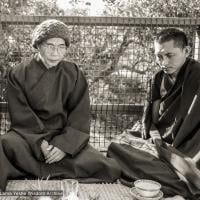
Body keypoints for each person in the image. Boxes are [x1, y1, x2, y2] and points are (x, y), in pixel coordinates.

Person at [0, 19, 121, 191]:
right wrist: (39, 141)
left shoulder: (74, 73)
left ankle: (29, 170)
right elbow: (20, 112)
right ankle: (51, 170)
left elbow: (80, 113)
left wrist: (64, 146)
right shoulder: (19, 73)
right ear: (38, 45)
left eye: (61, 46)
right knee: (4, 144)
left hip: (63, 134)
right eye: (50, 45)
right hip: (28, 137)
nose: (56, 51)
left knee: (104, 166)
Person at [107, 28, 200, 199]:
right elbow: (151, 119)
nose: (163, 62)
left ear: (186, 51)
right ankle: (174, 178)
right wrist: (155, 138)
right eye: (159, 56)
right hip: (162, 141)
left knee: (192, 168)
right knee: (116, 145)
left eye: (169, 55)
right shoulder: (158, 78)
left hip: (191, 145)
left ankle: (181, 182)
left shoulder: (197, 75)